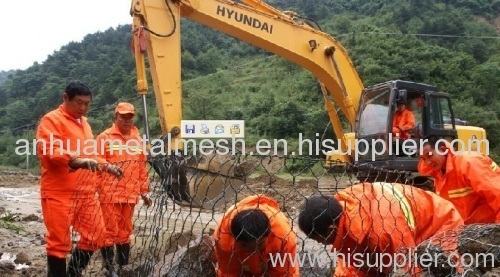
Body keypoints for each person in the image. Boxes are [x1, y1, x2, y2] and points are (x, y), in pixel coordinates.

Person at [36, 80, 123, 276]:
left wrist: (106, 165)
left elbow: (91, 153)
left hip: (86, 193)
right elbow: (50, 150)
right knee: (59, 243)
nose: (83, 108)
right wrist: (76, 160)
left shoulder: (84, 124)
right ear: (65, 98)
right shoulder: (52, 120)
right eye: (78, 102)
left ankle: (73, 272)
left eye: (87, 103)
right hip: (59, 193)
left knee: (97, 235)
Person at [298, 182, 464, 276]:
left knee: (444, 271)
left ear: (330, 230)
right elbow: (355, 266)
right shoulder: (343, 210)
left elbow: (409, 270)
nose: (320, 244)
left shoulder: (383, 233)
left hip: (441, 223)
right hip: (408, 227)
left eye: (316, 239)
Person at [96, 102, 151, 276]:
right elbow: (96, 163)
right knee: (109, 231)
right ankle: (109, 267)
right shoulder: (104, 138)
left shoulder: (137, 140)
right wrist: (94, 190)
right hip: (109, 193)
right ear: (115, 117)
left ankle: (123, 266)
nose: (127, 120)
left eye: (130, 117)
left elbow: (142, 167)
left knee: (125, 232)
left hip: (130, 193)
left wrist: (144, 191)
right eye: (123, 116)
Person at [418, 136, 500, 224]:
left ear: (442, 150)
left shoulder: (468, 162)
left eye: (429, 156)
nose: (428, 162)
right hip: (471, 226)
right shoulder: (439, 173)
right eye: (423, 159)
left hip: (488, 223)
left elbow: (495, 193)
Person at [214, 195, 299, 276]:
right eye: (247, 246)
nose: (254, 251)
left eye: (260, 244)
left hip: (272, 256)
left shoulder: (283, 236)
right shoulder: (223, 237)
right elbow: (229, 272)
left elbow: (283, 273)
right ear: (235, 239)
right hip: (241, 259)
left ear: (269, 233)